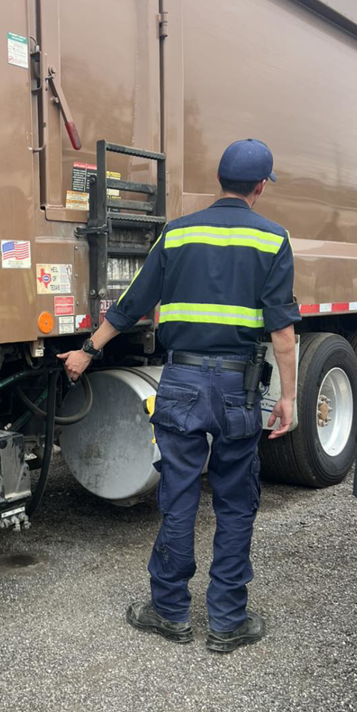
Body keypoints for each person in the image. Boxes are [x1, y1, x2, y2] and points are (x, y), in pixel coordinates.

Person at [58, 139, 300, 653]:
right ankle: (227, 621)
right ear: (259, 187)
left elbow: (130, 305)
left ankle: (169, 613)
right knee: (236, 503)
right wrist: (290, 398)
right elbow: (282, 331)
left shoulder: (178, 231)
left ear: (221, 181)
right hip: (236, 389)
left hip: (182, 384)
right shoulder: (273, 240)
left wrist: (86, 352)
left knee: (179, 497)